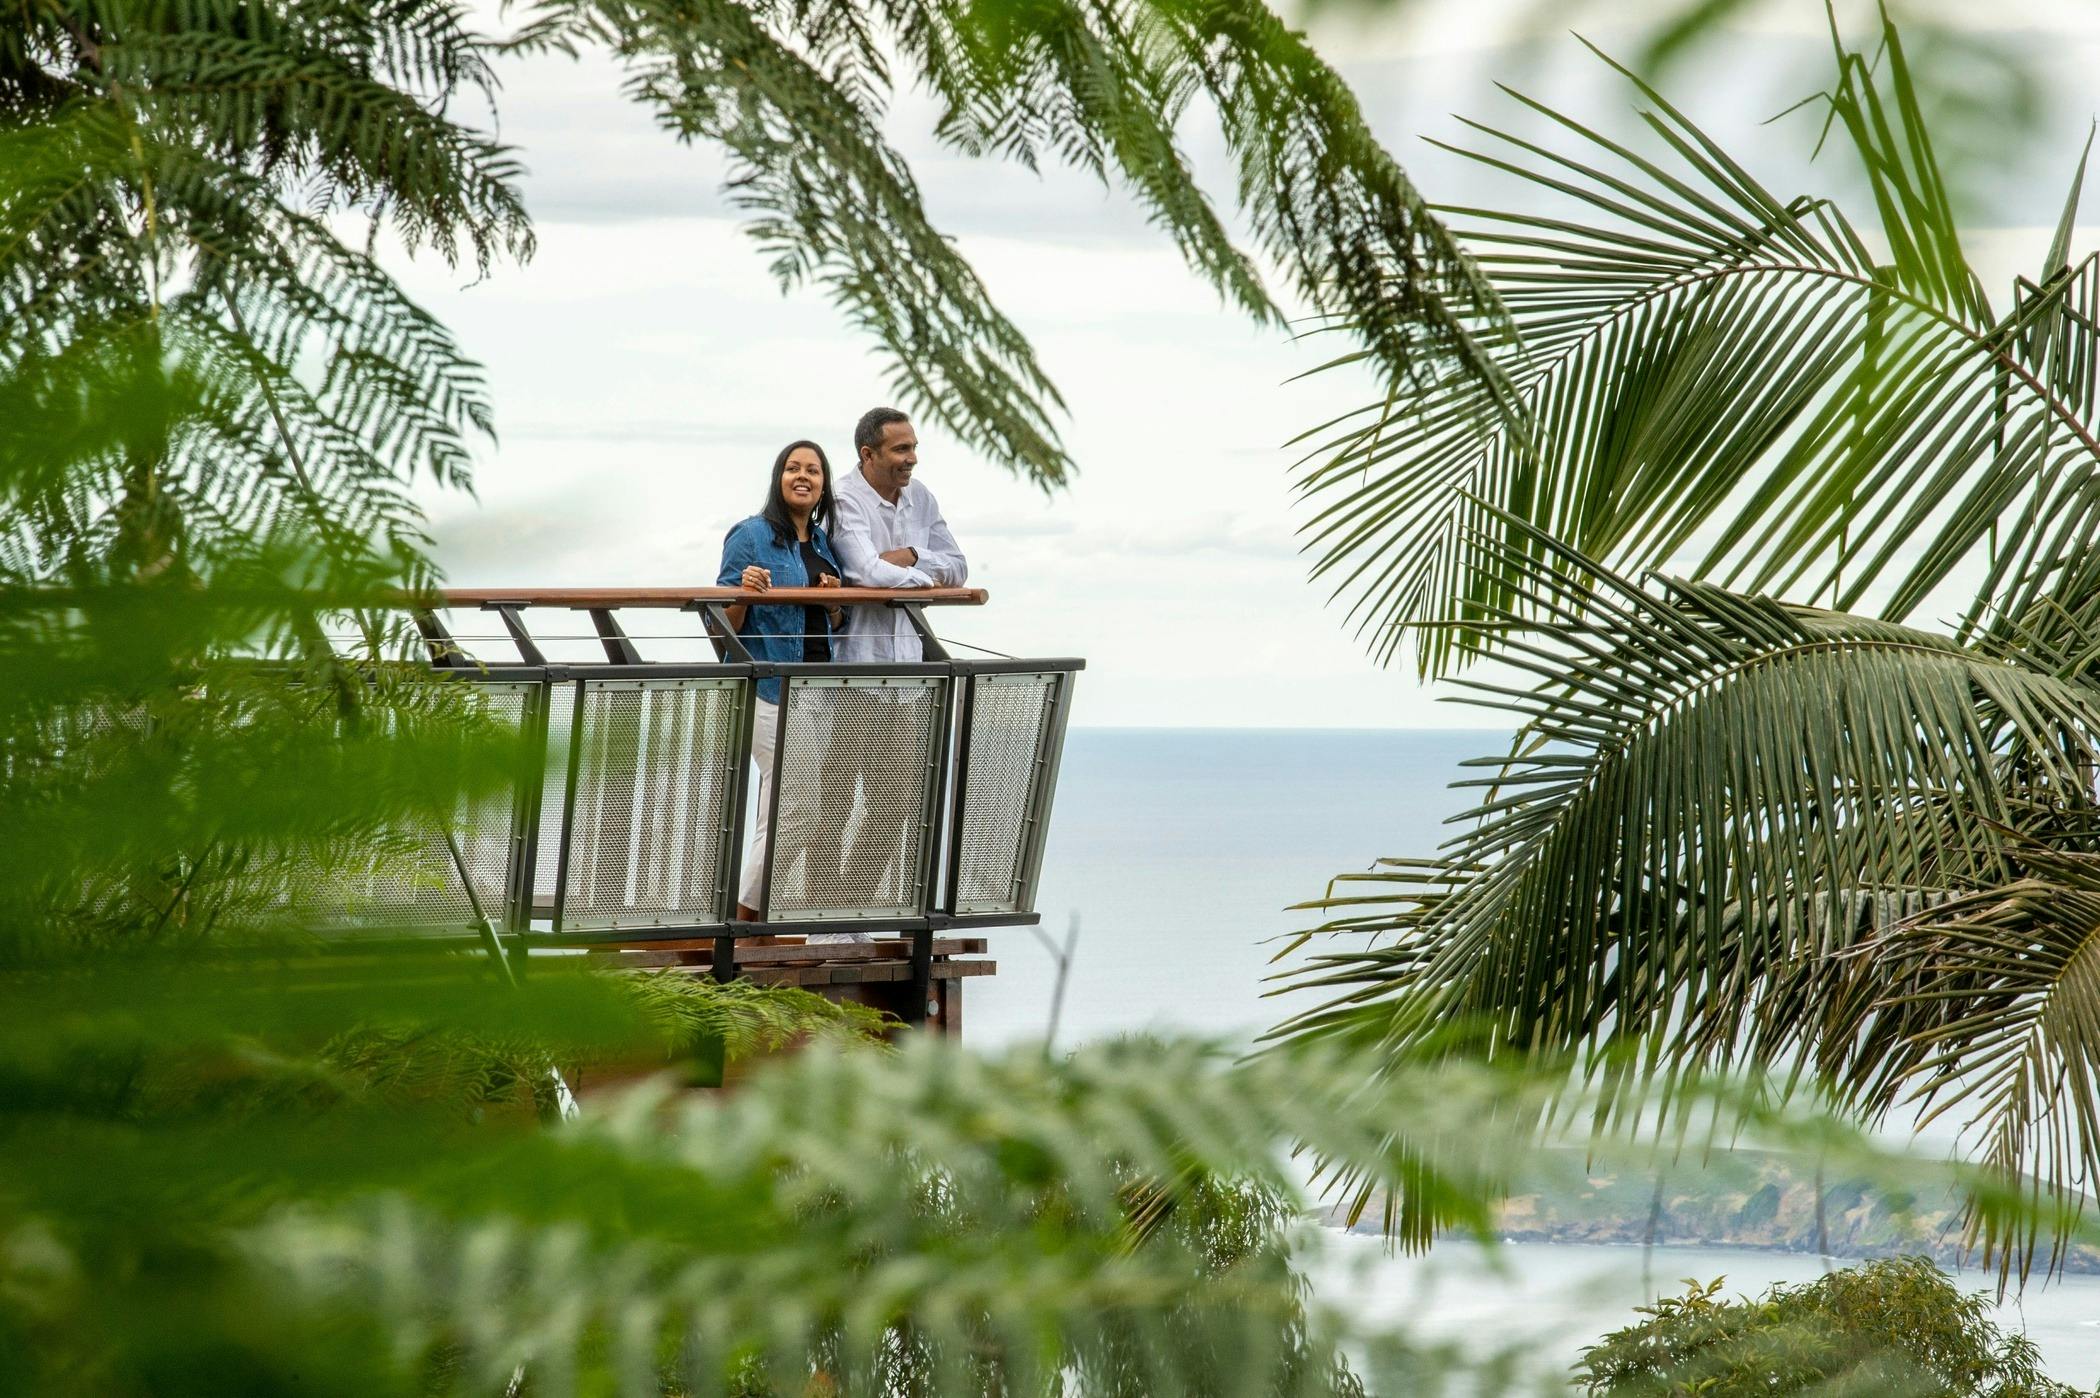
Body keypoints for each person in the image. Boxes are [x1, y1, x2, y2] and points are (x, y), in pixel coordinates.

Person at [822, 408, 969, 907]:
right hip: (851, 679)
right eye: (901, 450)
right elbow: (864, 571)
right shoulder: (844, 498)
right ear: (869, 454)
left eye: (913, 448)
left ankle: (850, 907)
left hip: (908, 681)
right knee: (836, 804)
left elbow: (959, 567)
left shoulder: (921, 498)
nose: (912, 459)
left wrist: (906, 557)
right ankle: (819, 912)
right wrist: (915, 570)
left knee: (895, 803)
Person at [716, 440, 845, 921]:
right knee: (797, 807)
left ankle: (752, 917)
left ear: (823, 485)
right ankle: (745, 917)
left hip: (816, 691)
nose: (803, 476)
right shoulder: (750, 536)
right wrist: (745, 594)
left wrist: (834, 598)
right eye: (793, 468)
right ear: (779, 478)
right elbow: (719, 623)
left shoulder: (822, 543)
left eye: (813, 470)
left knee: (784, 807)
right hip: (768, 688)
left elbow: (835, 623)